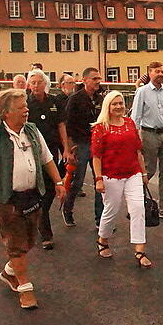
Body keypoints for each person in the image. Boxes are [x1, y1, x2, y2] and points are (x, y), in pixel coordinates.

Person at [0, 89, 65, 309]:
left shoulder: (32, 131)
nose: (26, 110)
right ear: (6, 112)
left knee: (29, 242)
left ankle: (9, 272)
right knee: (16, 245)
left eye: (26, 106)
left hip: (33, 196)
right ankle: (26, 289)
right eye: (21, 107)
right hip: (7, 200)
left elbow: (47, 159)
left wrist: (59, 183)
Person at [91, 91, 152, 267]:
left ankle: (140, 250)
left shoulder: (130, 123)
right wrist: (98, 178)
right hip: (111, 176)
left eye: (121, 103)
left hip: (132, 173)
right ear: (108, 106)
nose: (118, 107)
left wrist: (144, 173)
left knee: (138, 208)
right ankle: (103, 240)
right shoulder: (100, 128)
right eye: (114, 104)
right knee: (111, 210)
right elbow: (97, 156)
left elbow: (138, 151)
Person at [27, 69, 72, 249]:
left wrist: (66, 149)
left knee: (52, 188)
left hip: (52, 151)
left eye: (39, 82)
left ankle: (38, 215)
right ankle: (45, 233)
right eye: (33, 82)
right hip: (31, 152)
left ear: (45, 83)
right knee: (37, 190)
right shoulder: (25, 103)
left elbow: (61, 126)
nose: (36, 85)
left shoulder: (54, 102)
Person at [131, 61, 163, 220]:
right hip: (149, 133)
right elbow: (136, 116)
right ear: (149, 73)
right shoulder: (142, 92)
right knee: (149, 170)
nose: (160, 74)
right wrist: (135, 137)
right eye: (157, 71)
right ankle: (138, 202)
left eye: (162, 71)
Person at [63, 67, 104, 227]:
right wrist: (69, 148)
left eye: (99, 79)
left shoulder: (100, 99)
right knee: (77, 182)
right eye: (94, 79)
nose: (97, 82)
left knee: (99, 181)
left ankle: (99, 219)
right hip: (80, 144)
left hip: (97, 145)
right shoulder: (75, 99)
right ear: (85, 80)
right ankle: (68, 209)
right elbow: (67, 125)